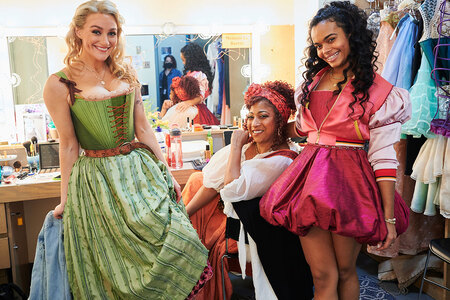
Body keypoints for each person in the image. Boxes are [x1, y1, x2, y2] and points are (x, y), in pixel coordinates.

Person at [42, 1, 211, 299]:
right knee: (114, 265)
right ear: (78, 31)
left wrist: (167, 171)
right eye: (96, 31)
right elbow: (68, 144)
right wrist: (65, 201)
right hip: (96, 182)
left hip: (139, 172)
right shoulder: (59, 83)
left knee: (178, 239)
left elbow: (143, 128)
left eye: (112, 33)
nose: (105, 41)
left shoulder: (126, 70)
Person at [259, 2, 411, 300]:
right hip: (309, 181)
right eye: (318, 44)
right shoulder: (311, 84)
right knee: (322, 274)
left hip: (348, 185)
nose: (324, 50)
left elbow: (383, 158)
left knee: (344, 271)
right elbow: (303, 129)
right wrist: (262, 128)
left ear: (351, 34)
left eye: (331, 39)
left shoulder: (380, 92)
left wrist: (389, 219)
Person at [182, 81, 313, 300]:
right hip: (231, 216)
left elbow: (232, 190)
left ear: (280, 119)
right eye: (251, 116)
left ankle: (182, 257)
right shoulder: (249, 147)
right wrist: (184, 213)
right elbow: (212, 183)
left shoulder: (281, 159)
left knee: (197, 187)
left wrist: (235, 147)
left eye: (263, 116)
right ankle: (180, 232)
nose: (254, 123)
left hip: (249, 230)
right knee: (197, 179)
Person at [161, 43, 219, 125]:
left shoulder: (199, 75)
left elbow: (200, 97)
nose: (183, 63)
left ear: (191, 59)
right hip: (186, 109)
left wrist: (187, 103)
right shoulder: (189, 74)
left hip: (196, 111)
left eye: (184, 60)